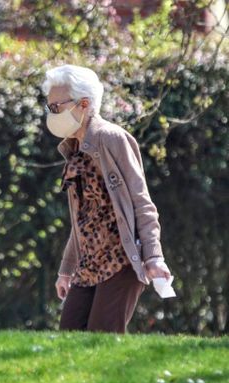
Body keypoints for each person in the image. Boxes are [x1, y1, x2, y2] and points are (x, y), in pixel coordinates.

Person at [41, 64, 172, 334]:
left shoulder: (112, 138)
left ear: (84, 104)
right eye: (49, 107)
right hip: (88, 265)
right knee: (70, 336)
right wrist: (66, 270)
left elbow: (141, 203)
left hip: (121, 260)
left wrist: (154, 256)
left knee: (102, 339)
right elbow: (84, 220)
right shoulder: (74, 148)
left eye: (56, 107)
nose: (51, 114)